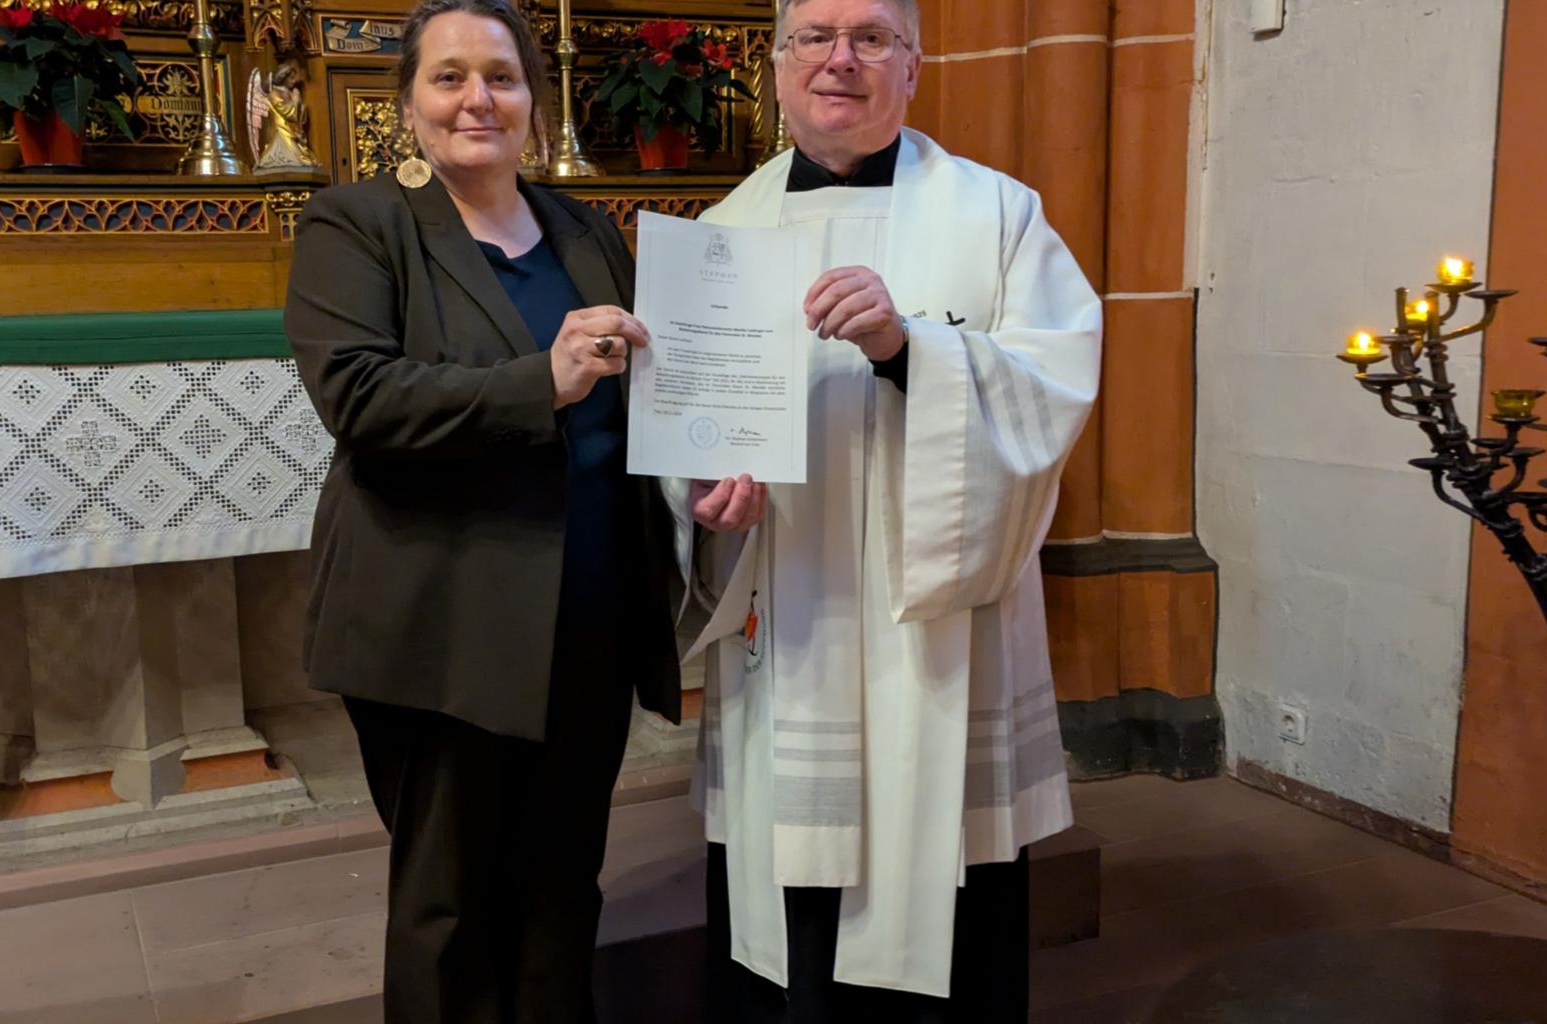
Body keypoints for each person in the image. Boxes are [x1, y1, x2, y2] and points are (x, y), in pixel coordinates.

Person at [283, 1, 763, 1019]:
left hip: (584, 617)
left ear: (533, 105)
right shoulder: (356, 225)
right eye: (447, 77)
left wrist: (716, 463)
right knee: (449, 904)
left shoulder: (583, 229)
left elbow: (652, 386)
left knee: (559, 885)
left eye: (500, 77)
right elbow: (360, 399)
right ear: (406, 105)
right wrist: (537, 380)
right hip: (441, 621)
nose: (476, 99)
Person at [673, 0, 1104, 1019]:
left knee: (949, 891)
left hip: (938, 630)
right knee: (792, 921)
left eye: (871, 38)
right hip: (788, 613)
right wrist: (702, 496)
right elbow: (684, 427)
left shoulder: (998, 213)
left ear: (911, 67)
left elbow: (1056, 386)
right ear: (774, 71)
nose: (839, 60)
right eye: (812, 38)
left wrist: (908, 347)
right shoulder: (720, 236)